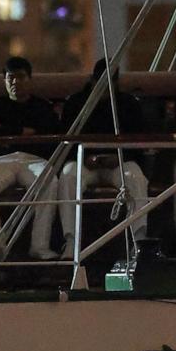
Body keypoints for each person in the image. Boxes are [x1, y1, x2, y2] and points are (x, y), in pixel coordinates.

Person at [0, 56, 61, 260]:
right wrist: (24, 131)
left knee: (49, 181)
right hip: (1, 160)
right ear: (4, 80)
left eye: (20, 77)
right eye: (10, 77)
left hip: (34, 159)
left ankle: (40, 246)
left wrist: (6, 131)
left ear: (30, 79)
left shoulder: (42, 106)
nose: (15, 82)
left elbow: (49, 135)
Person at [58, 59, 149, 258]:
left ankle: (140, 241)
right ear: (92, 80)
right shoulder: (75, 103)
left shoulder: (128, 104)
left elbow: (139, 140)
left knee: (136, 178)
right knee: (68, 176)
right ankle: (71, 240)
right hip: (84, 162)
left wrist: (120, 156)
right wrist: (84, 158)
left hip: (119, 162)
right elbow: (65, 140)